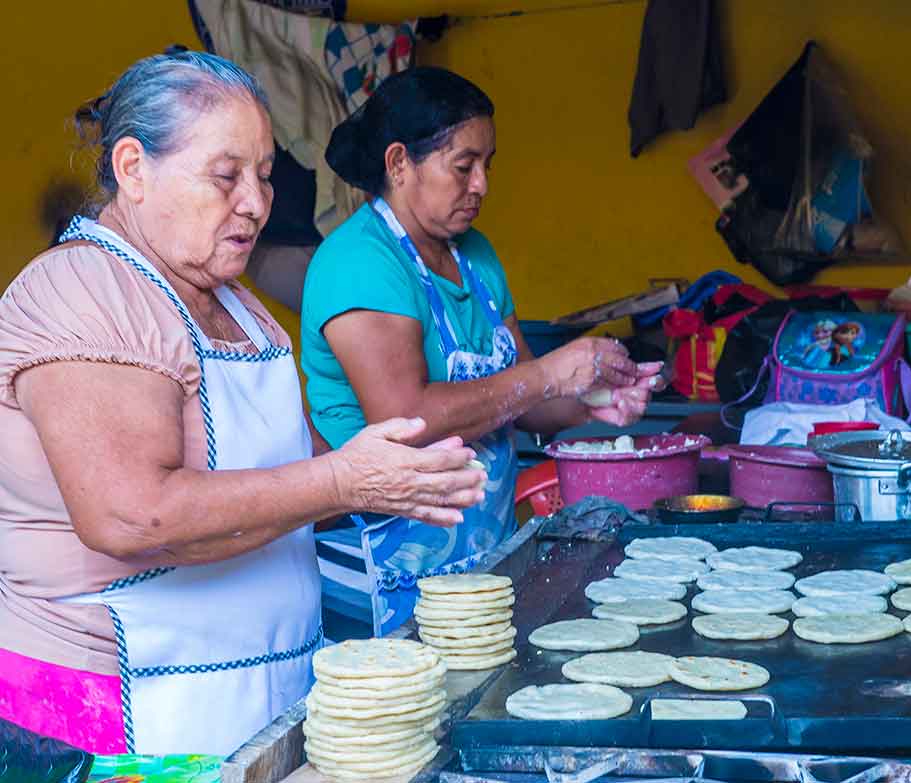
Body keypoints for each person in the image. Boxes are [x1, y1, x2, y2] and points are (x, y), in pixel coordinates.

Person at [0, 52, 485, 757]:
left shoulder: (230, 299)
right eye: (226, 176)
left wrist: (388, 474)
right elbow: (131, 512)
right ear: (133, 169)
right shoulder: (84, 290)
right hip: (114, 717)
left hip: (251, 693)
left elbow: (275, 461)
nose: (257, 204)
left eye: (262, 176)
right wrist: (342, 480)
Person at [301, 67, 663, 636]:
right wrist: (549, 374)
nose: (482, 186)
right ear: (399, 164)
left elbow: (518, 395)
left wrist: (590, 400)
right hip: (384, 567)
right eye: (463, 166)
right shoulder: (360, 263)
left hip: (481, 564)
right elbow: (407, 420)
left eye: (487, 165)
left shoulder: (475, 255)